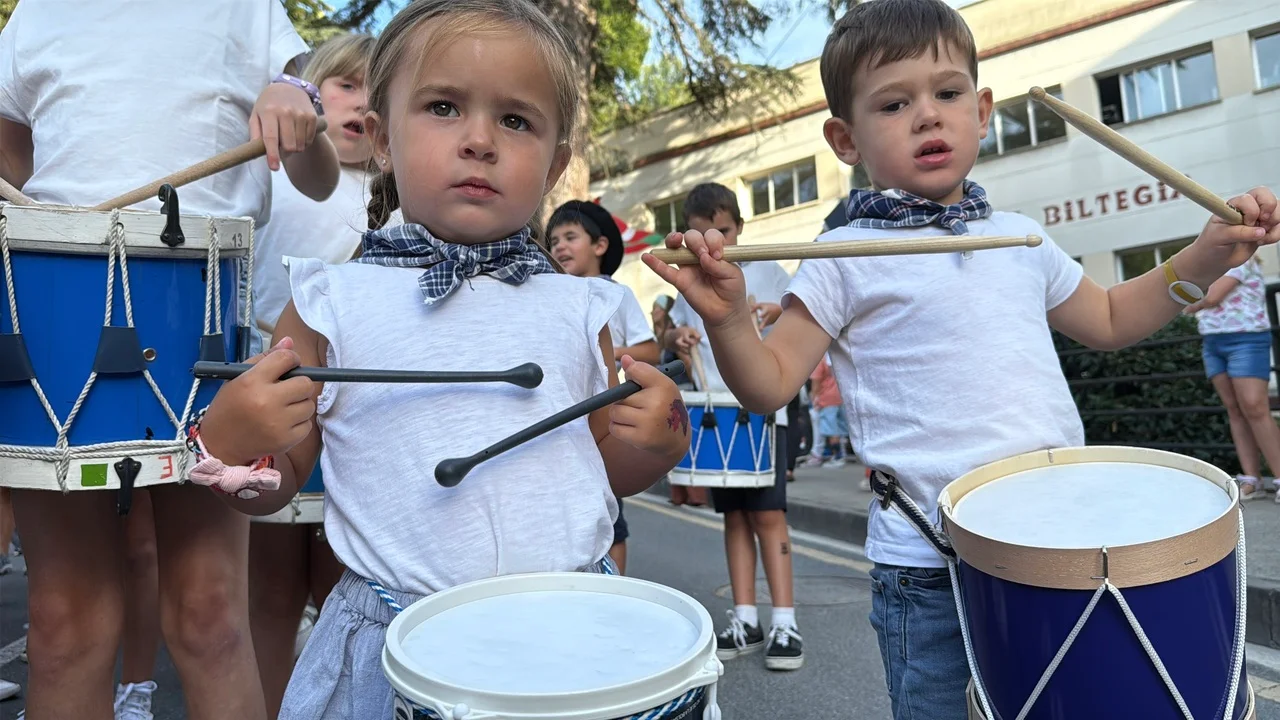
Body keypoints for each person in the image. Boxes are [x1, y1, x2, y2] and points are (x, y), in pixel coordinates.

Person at [641, 0, 1280, 715]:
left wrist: (1203, 255)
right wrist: (727, 318)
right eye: (893, 104)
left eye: (947, 94)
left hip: (1055, 547)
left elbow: (1108, 318)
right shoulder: (840, 255)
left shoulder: (1020, 238)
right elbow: (769, 385)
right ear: (845, 139)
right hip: (926, 565)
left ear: (981, 112)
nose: (927, 116)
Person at [188, 2, 690, 717]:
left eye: (515, 120)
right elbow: (279, 484)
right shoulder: (330, 301)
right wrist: (233, 448)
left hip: (565, 639)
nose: (479, 141)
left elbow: (600, 470)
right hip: (394, 647)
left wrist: (657, 444)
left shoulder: (583, 308)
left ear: (554, 166)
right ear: (382, 139)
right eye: (444, 108)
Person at [0, 1, 339, 717]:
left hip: (203, 316)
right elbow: (11, 157)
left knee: (210, 615)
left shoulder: (247, 8)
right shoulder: (37, 11)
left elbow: (319, 179)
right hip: (53, 313)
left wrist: (299, 104)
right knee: (63, 627)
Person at [247, 32, 376, 719]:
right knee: (268, 593)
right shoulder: (272, 174)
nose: (360, 102)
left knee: (342, 593)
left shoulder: (396, 196)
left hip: (354, 412)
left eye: (375, 91)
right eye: (346, 85)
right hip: (272, 394)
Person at [658, 182, 803, 672]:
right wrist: (676, 336)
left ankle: (785, 621)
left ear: (740, 226)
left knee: (769, 515)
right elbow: (671, 333)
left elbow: (798, 316)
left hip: (765, 410)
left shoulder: (767, 267)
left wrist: (776, 310)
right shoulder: (690, 274)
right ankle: (745, 617)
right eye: (705, 232)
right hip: (715, 409)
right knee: (735, 517)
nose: (715, 241)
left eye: (723, 230)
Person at [548, 199, 660, 575]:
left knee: (608, 516)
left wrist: (602, 353)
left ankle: (615, 589)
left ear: (600, 245)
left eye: (570, 237)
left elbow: (650, 349)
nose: (560, 247)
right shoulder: (551, 296)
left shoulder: (616, 294)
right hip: (563, 419)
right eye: (553, 241)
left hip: (605, 423)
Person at [1187, 254, 1280, 500]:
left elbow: (1212, 296)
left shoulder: (1241, 259)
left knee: (1255, 408)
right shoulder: (1213, 261)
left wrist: (1190, 303)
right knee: (1234, 410)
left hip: (1246, 338)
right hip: (1213, 339)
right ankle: (1252, 479)